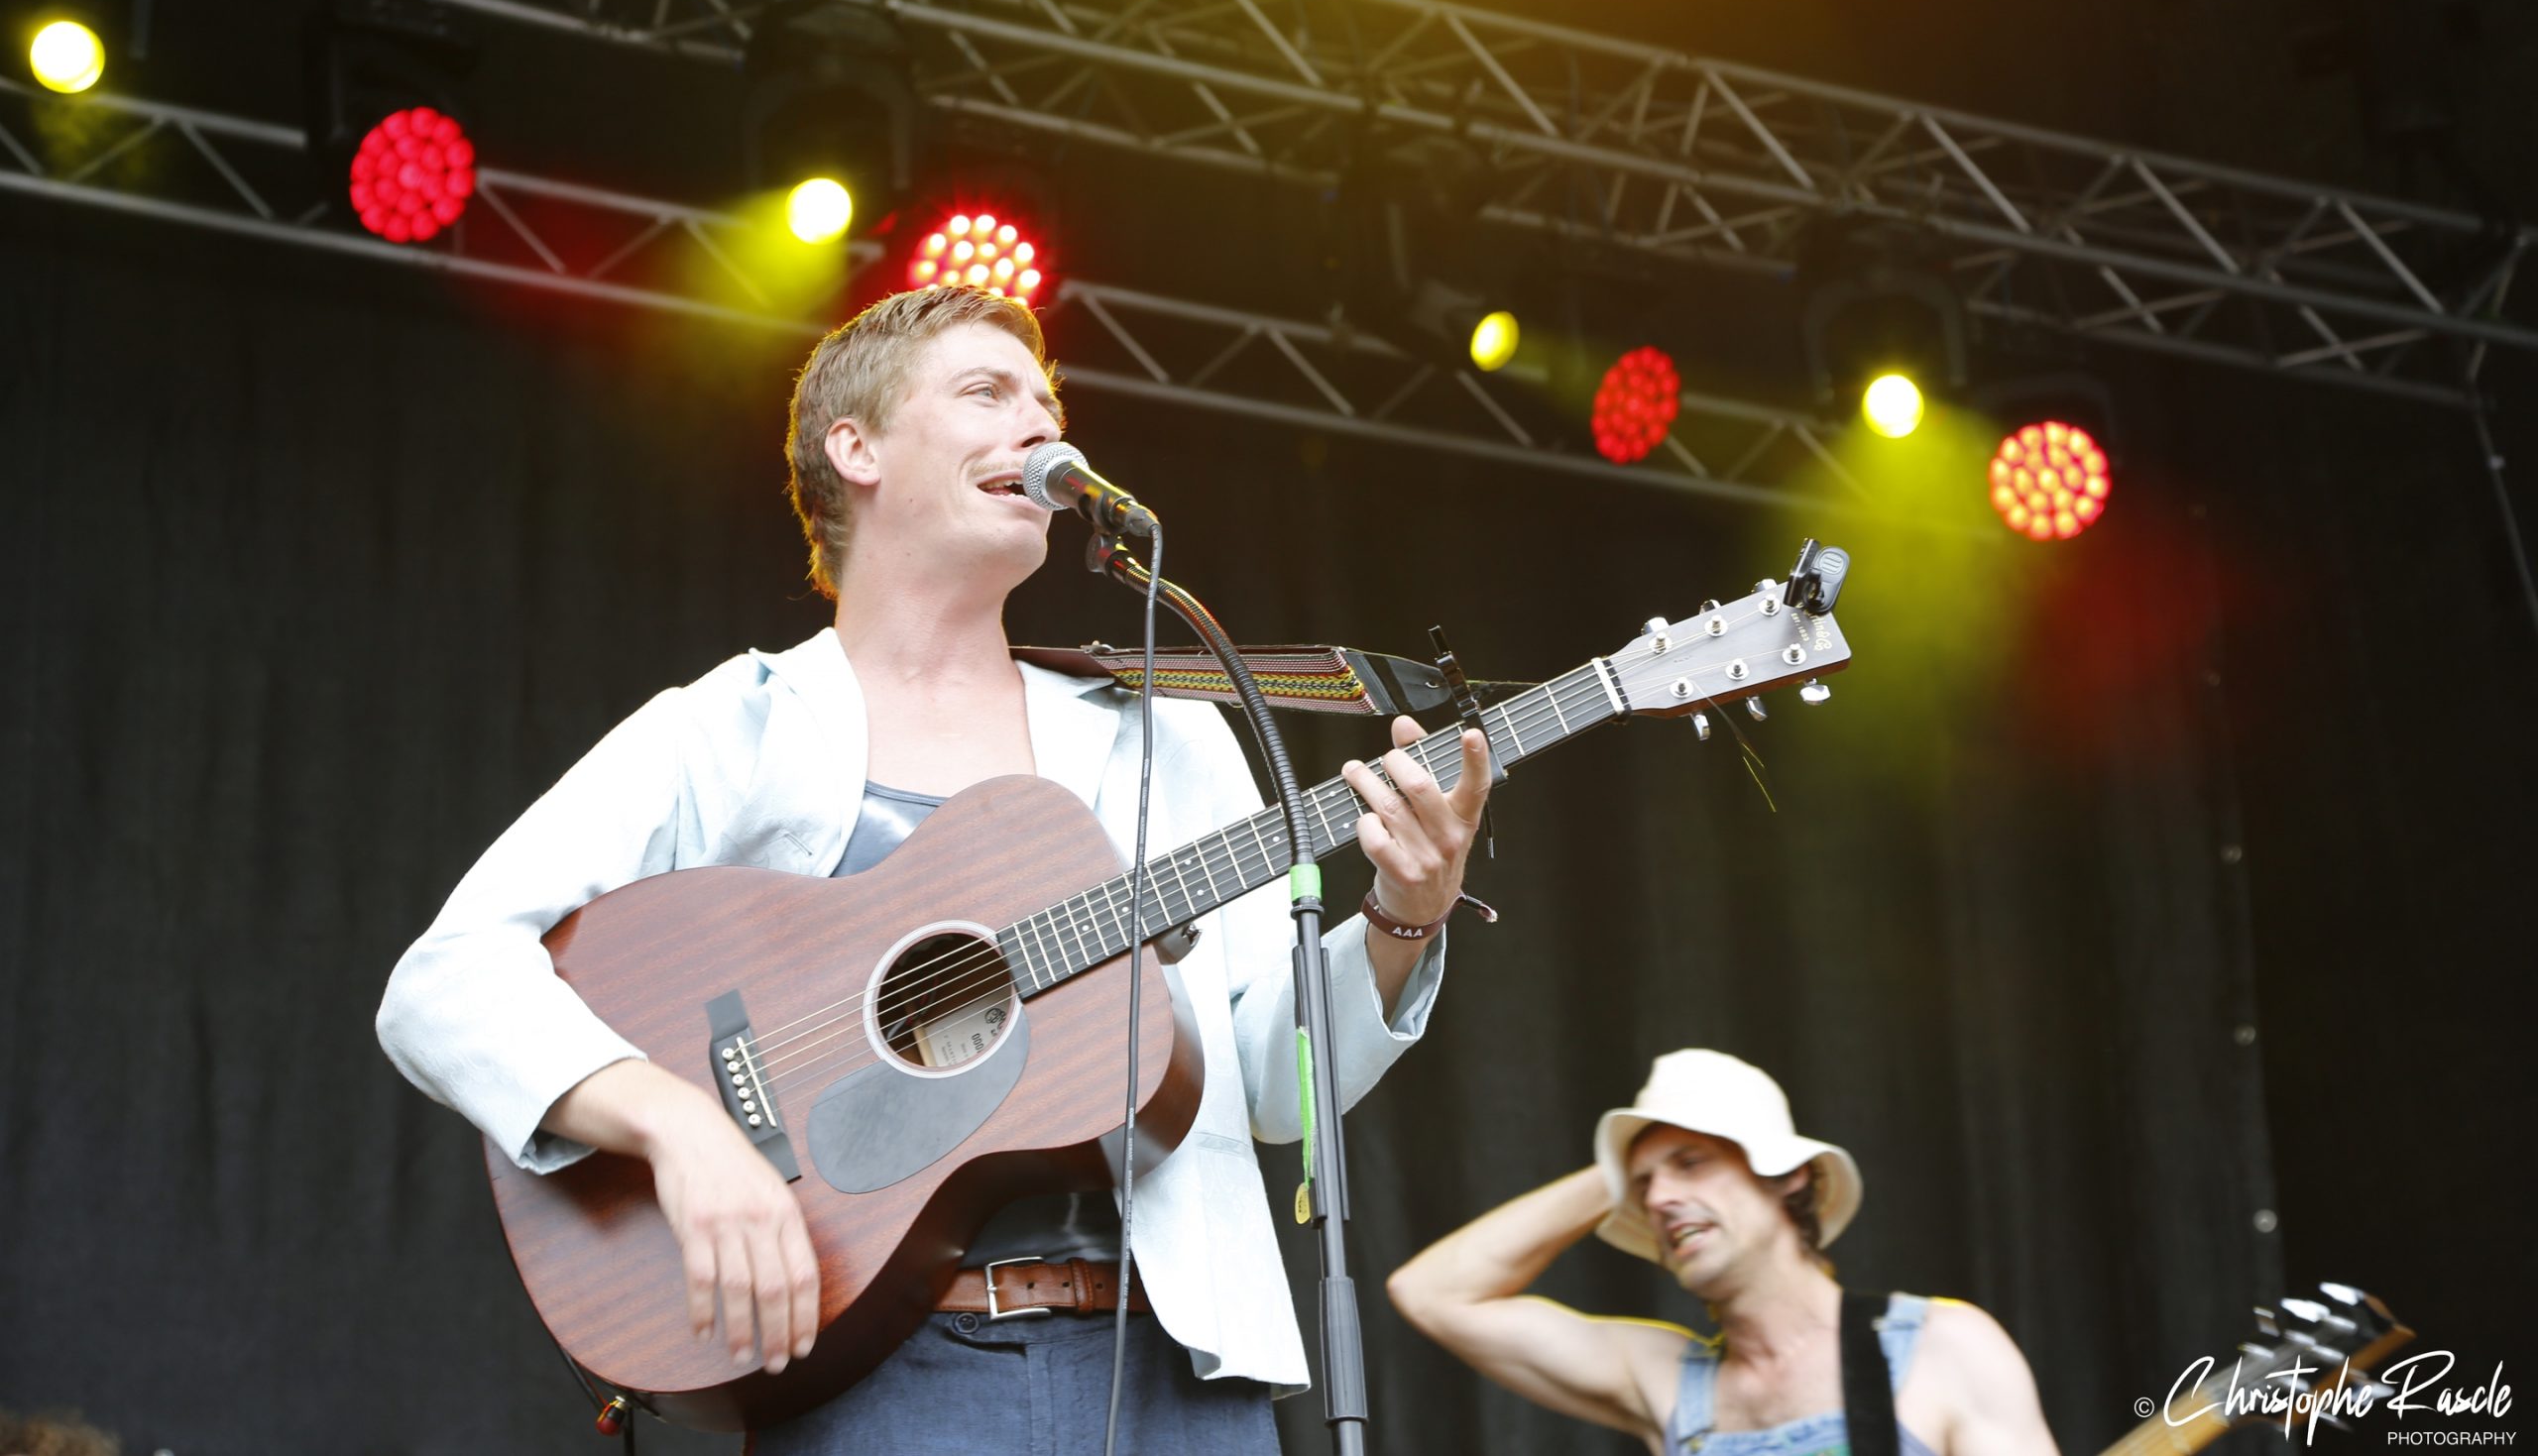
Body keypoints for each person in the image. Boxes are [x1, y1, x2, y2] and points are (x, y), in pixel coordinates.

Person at [376, 284, 1493, 1451]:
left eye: (1048, 406)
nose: (1041, 427)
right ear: (853, 449)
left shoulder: (1168, 730)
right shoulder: (733, 727)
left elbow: (1268, 1088)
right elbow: (445, 982)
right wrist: (676, 1124)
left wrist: (1402, 918)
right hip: (872, 1378)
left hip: (1176, 1374)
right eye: (986, 393)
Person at [1387, 1050, 2058, 1456]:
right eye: (1643, 1187)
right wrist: (1615, 1169)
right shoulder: (1664, 1380)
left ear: (1788, 1173)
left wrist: (1643, 1159)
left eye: (1692, 1161)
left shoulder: (1943, 1346)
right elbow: (1431, 1293)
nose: (1659, 1199)